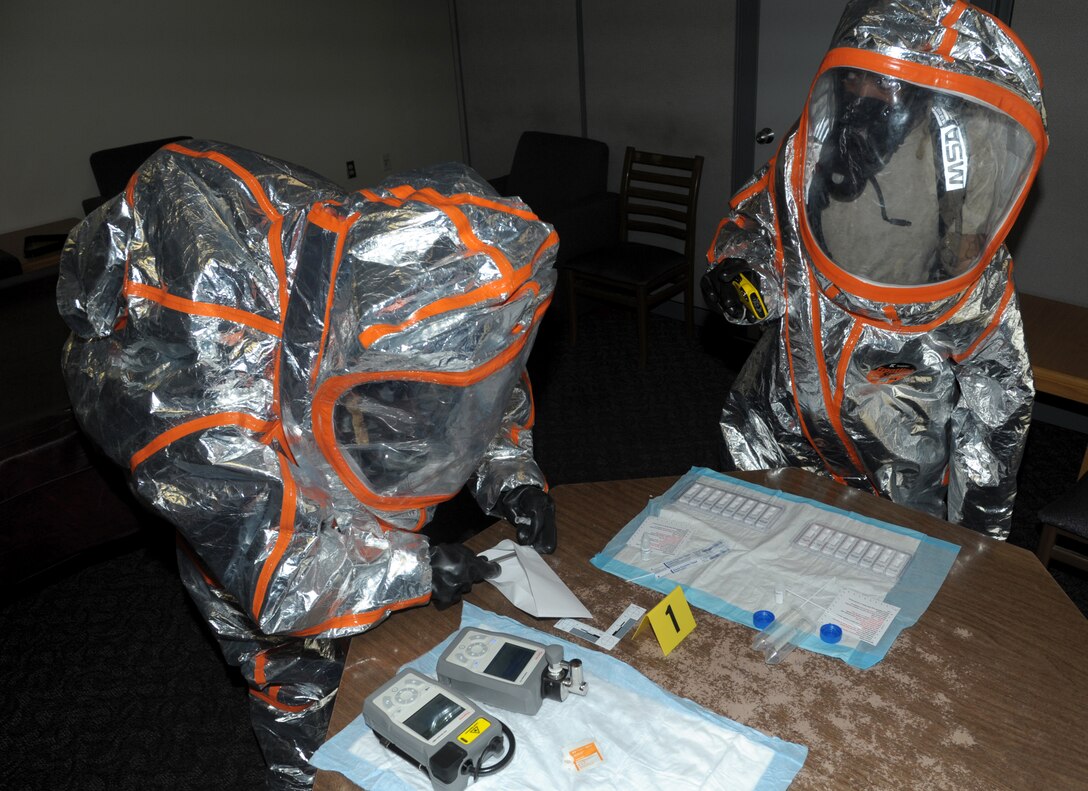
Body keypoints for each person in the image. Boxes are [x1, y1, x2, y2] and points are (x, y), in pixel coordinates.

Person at [57, 139, 559, 789]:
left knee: (385, 646)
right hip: (251, 497)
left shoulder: (422, 278)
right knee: (300, 673)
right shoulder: (206, 354)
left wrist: (511, 472)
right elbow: (266, 557)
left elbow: (476, 386)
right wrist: (412, 569)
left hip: (317, 419)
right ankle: (303, 773)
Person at [701, 0, 1048, 539]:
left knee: (890, 567)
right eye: (856, 76)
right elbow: (765, 228)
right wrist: (746, 274)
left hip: (893, 425)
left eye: (881, 81)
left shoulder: (960, 157)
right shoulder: (812, 140)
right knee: (755, 552)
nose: (864, 92)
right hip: (785, 405)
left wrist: (977, 535)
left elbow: (992, 377)